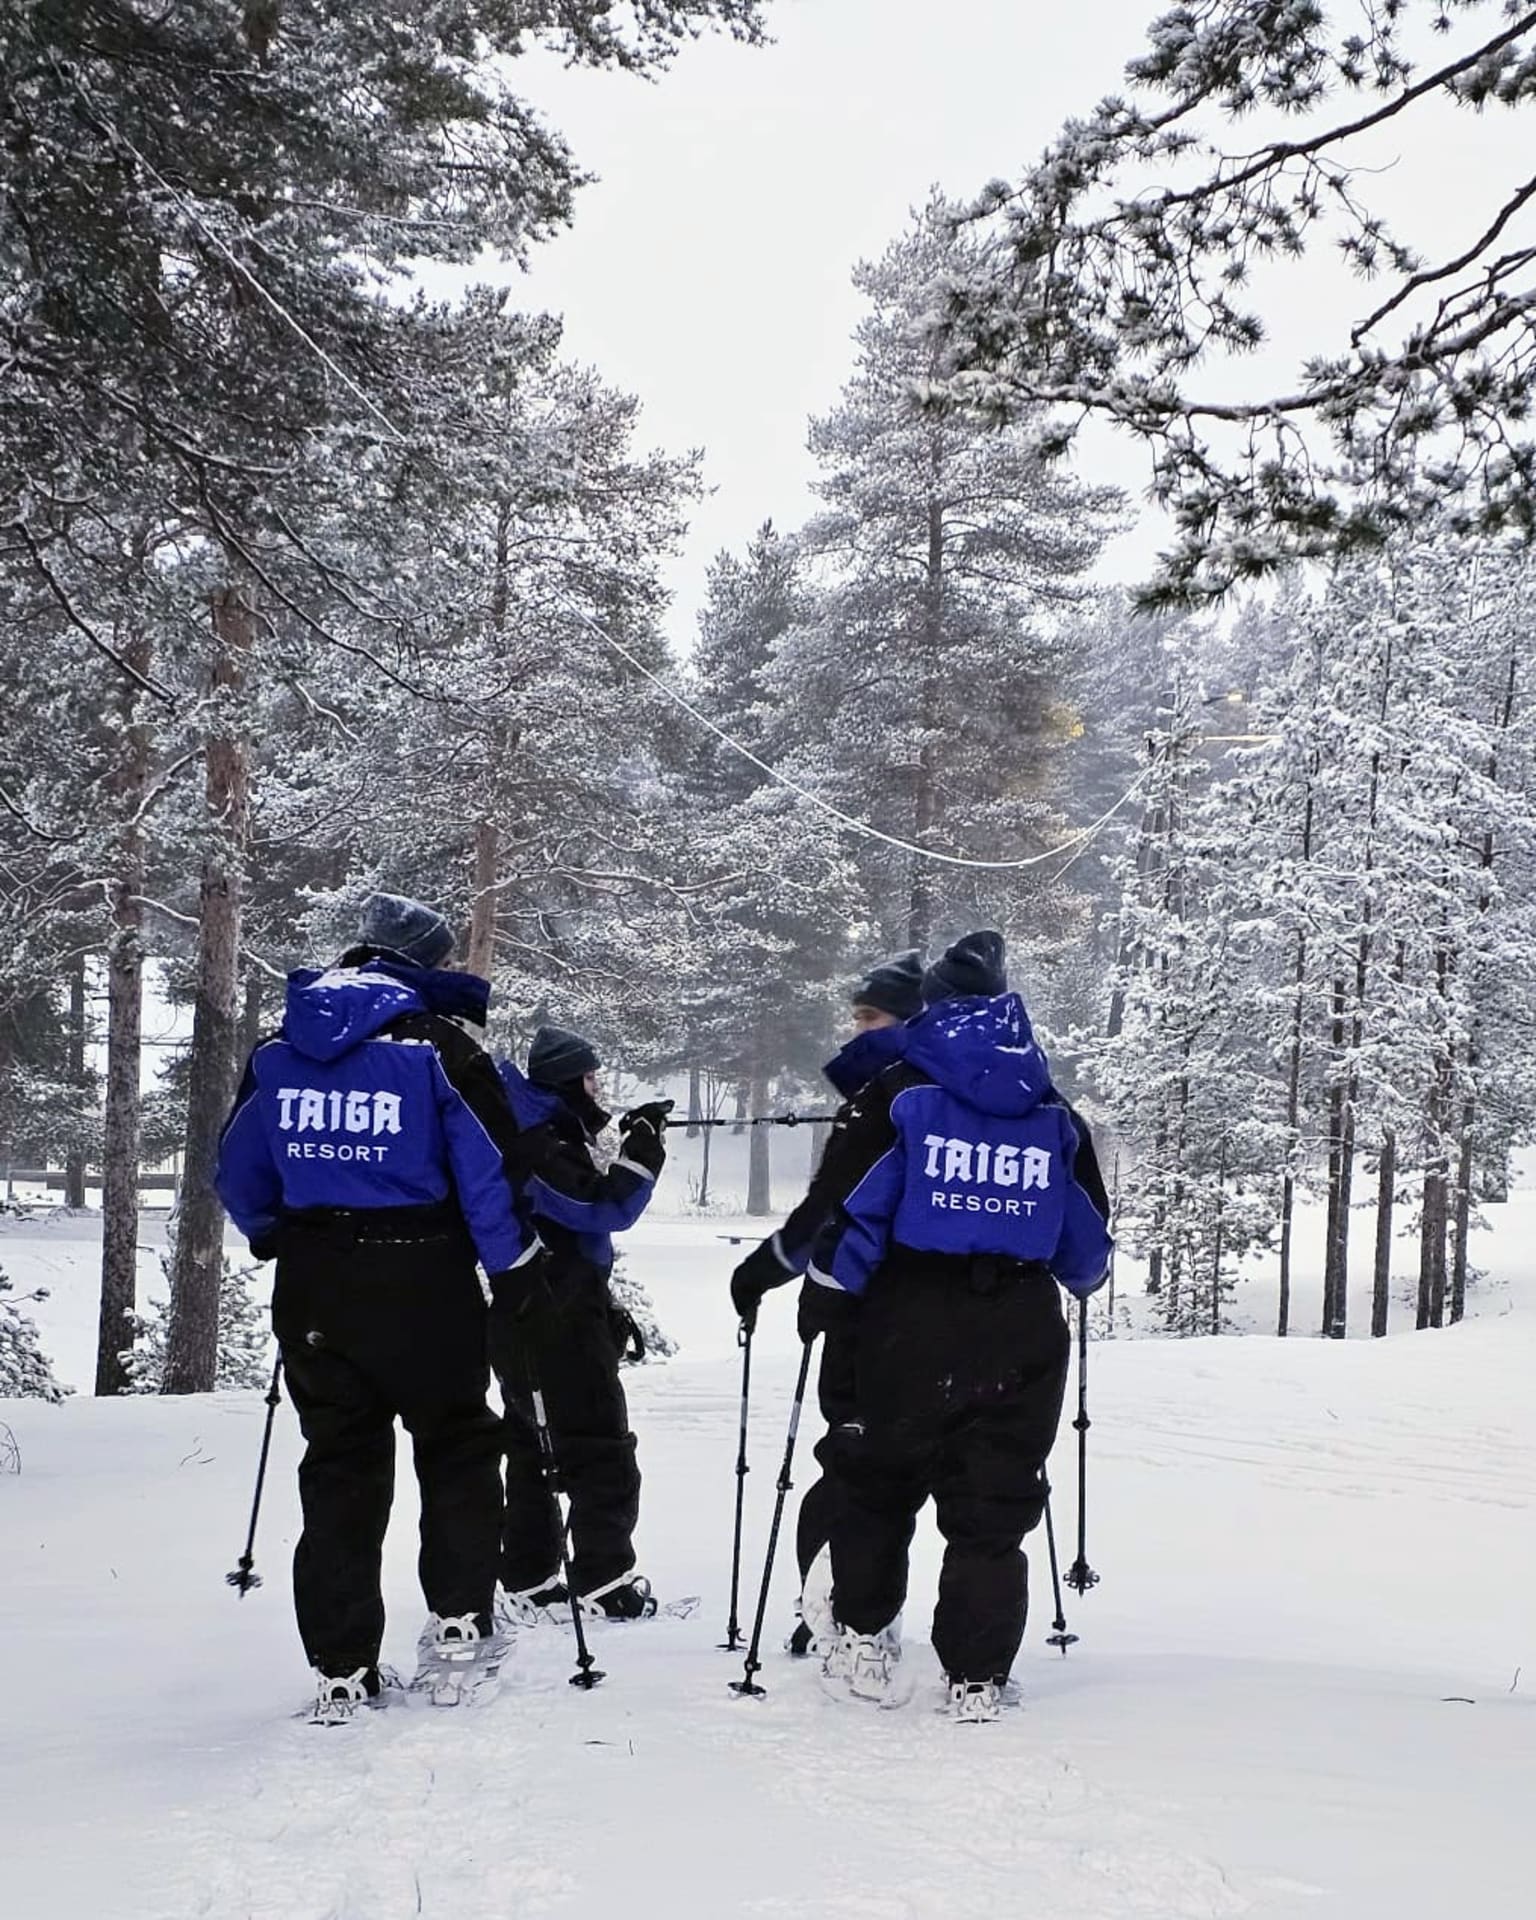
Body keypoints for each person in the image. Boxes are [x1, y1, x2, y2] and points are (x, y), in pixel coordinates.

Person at [216, 893, 540, 1724]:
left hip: (317, 1280)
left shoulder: (282, 1050)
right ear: (423, 966)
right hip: (424, 1274)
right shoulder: (438, 1050)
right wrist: (513, 1270)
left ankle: (340, 1664)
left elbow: (239, 1170)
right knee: (459, 1444)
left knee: (339, 1462)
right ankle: (461, 1624)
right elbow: (491, 1169)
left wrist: (272, 1235)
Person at [778, 930, 1112, 1724]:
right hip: (1022, 1326)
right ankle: (976, 1676)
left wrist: (822, 1296)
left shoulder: (904, 1095)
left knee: (877, 1484)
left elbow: (857, 1217)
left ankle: (860, 1638)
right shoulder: (1052, 1111)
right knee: (993, 1506)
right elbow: (1088, 1254)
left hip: (908, 1316)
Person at [728, 949, 925, 1654]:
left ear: (911, 1020)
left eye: (870, 1017)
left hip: (864, 1306)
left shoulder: (885, 1094)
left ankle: (843, 1610)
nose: (855, 1033)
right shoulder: (966, 1092)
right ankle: (872, 1615)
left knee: (855, 1464)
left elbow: (829, 1207)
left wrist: (771, 1268)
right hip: (959, 1317)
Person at [491, 1024, 670, 1624]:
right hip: (555, 1313)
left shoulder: (535, 1127)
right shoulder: (537, 1141)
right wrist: (643, 1150)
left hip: (532, 1307)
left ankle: (529, 1575)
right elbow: (604, 1206)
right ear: (567, 1081)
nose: (598, 1089)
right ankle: (603, 1581)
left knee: (532, 1444)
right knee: (598, 1447)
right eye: (590, 1078)